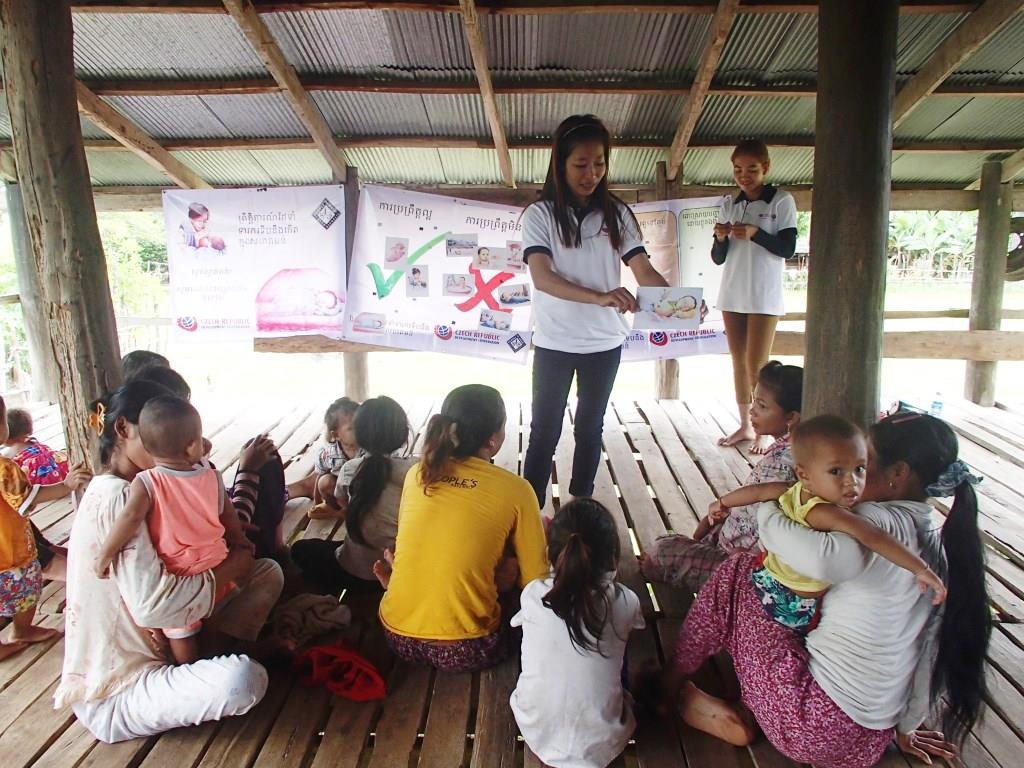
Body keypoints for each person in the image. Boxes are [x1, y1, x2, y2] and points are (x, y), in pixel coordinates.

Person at [662, 412, 986, 768]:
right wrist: (906, 728)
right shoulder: (938, 548)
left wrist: (771, 509)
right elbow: (929, 650)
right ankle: (748, 705)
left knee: (739, 574)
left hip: (808, 725)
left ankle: (672, 685)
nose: (852, 478)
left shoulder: (871, 522)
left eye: (863, 465)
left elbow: (822, 562)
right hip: (867, 742)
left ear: (898, 474)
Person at [56, 380, 283, 743]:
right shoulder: (121, 496)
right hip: (123, 690)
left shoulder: (154, 482)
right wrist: (230, 568)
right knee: (243, 680)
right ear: (124, 429)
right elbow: (154, 608)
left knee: (266, 573)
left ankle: (208, 658)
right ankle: (215, 660)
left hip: (166, 648)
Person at [521, 114, 671, 507]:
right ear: (561, 164)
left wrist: (680, 303)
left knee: (590, 429)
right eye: (581, 165)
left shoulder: (617, 213)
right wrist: (601, 296)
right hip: (555, 342)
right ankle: (526, 511)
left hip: (605, 343)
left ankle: (580, 510)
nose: (591, 174)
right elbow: (543, 278)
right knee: (544, 431)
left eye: (600, 164)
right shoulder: (540, 215)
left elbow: (644, 270)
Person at [707, 415, 946, 632]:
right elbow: (872, 536)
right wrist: (919, 568)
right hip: (790, 606)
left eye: (860, 468)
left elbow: (758, 492)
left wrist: (721, 503)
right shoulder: (828, 513)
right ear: (804, 474)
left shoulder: (792, 490)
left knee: (728, 583)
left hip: (770, 582)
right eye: (836, 471)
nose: (851, 482)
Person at [377, 385, 549, 672]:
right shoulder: (516, 490)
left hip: (397, 636)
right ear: (493, 440)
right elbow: (536, 583)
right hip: (468, 647)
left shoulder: (418, 474)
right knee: (514, 565)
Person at [93, 396, 252, 665]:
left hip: (177, 572)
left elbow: (130, 518)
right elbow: (228, 516)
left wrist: (105, 554)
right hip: (216, 564)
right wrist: (240, 540)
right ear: (192, 447)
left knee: (182, 635)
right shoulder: (211, 476)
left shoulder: (147, 482)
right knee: (211, 618)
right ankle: (213, 659)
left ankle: (186, 669)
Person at [641, 361, 802, 592]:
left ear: (791, 417)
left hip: (746, 568)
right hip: (730, 540)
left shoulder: (785, 465)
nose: (752, 410)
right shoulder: (786, 450)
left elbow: (760, 534)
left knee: (661, 552)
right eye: (754, 400)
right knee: (669, 543)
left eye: (763, 406)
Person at [511, 498, 645, 768]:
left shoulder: (534, 594)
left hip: (537, 729)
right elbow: (636, 627)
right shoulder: (625, 600)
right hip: (605, 740)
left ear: (550, 553)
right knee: (620, 647)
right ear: (613, 558)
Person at [711, 140, 798, 453]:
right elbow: (718, 258)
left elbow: (787, 249)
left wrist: (754, 233)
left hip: (763, 295)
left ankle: (765, 430)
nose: (743, 175)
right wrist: (721, 238)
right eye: (738, 169)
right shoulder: (730, 204)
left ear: (766, 169)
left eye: (751, 169)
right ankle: (746, 426)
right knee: (737, 362)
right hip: (733, 292)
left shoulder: (781, 201)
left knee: (757, 366)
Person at [290, 396, 416, 595]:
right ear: (404, 434)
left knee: (300, 549)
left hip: (352, 571)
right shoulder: (416, 471)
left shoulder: (350, 470)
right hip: (398, 575)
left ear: (360, 434)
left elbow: (343, 505)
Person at [0, 397, 65, 660]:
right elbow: (30, 498)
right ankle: (21, 630)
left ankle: (18, 633)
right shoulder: (5, 469)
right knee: (27, 588)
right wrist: (67, 485)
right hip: (10, 550)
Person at [286, 397, 360, 519]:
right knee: (324, 482)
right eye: (351, 428)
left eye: (360, 425)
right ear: (336, 435)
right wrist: (318, 503)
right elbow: (319, 477)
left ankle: (352, 512)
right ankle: (341, 510)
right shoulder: (328, 454)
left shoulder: (368, 449)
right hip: (341, 494)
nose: (359, 431)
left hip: (361, 492)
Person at [2, 407, 70, 485]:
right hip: (61, 479)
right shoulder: (39, 446)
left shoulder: (10, 457)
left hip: (40, 491)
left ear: (7, 438)